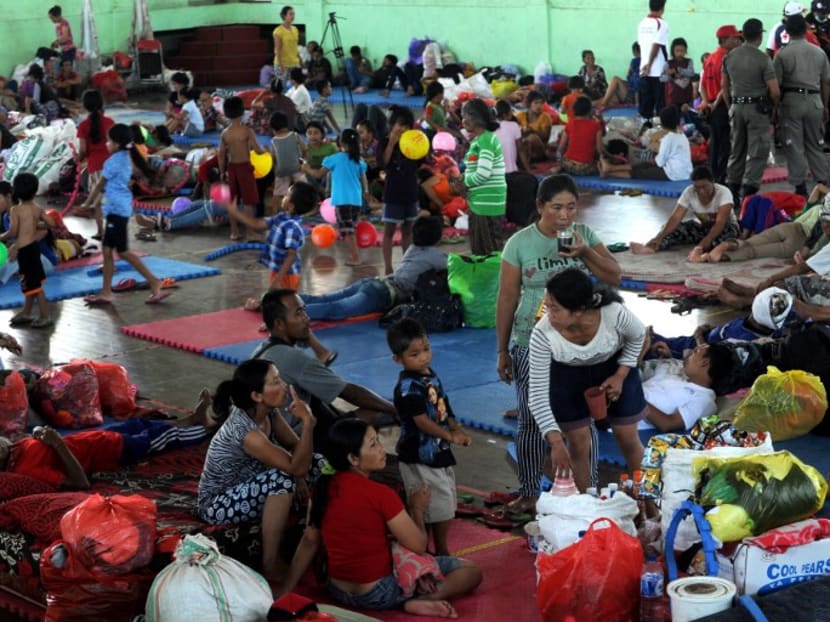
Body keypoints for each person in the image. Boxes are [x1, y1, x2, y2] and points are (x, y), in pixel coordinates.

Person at [496, 174, 621, 511]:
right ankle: (528, 490)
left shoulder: (585, 236)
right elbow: (507, 298)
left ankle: (587, 492)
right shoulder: (520, 243)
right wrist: (502, 349)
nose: (565, 215)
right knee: (530, 419)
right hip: (529, 339)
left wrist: (585, 253)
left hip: (579, 344)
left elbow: (614, 274)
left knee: (582, 421)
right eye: (556, 208)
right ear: (539, 207)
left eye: (571, 207)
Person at [280, 418, 482, 615]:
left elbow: (309, 540)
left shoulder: (322, 489)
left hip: (338, 590)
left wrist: (285, 591)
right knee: (471, 571)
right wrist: (417, 509)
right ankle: (424, 600)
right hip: (378, 593)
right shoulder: (380, 494)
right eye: (373, 444)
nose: (381, 449)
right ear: (353, 459)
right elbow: (419, 545)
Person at [198, 358, 323, 581]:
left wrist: (301, 479)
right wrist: (307, 423)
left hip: (249, 487)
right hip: (217, 504)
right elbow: (295, 466)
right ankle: (270, 562)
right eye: (275, 381)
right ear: (257, 396)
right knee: (281, 479)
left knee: (320, 463)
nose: (284, 385)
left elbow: (297, 449)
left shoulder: (268, 413)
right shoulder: (244, 431)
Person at [528, 268, 646, 491]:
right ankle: (584, 505)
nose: (548, 314)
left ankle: (651, 508)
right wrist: (555, 442)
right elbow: (537, 397)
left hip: (615, 365)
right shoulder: (543, 334)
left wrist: (621, 375)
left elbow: (639, 336)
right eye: (547, 306)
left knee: (628, 438)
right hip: (567, 373)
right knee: (578, 444)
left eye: (555, 308)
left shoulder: (613, 313)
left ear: (579, 310)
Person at [256, 289, 399, 435]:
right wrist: (395, 409)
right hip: (292, 438)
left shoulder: (263, 348)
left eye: (304, 311)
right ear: (279, 324)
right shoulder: (292, 357)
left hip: (267, 432)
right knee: (376, 413)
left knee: (319, 397)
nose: (306, 318)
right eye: (298, 313)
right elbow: (350, 392)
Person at [388, 318, 471, 556]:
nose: (423, 357)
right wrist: (448, 435)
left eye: (426, 349)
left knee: (444, 503)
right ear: (398, 359)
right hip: (419, 454)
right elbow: (421, 421)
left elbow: (444, 406)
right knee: (433, 505)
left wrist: (456, 429)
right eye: (415, 354)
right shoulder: (408, 388)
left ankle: (438, 549)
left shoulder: (430, 376)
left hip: (438, 450)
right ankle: (433, 550)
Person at [0, 405, 212, 490]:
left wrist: (39, 431)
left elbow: (31, 433)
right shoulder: (25, 471)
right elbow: (80, 483)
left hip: (97, 436)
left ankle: (191, 419)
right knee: (162, 437)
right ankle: (209, 431)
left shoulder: (14, 448)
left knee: (140, 423)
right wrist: (57, 443)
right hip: (112, 450)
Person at [78, 124, 172, 306]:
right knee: (107, 251)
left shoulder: (114, 161)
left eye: (108, 140)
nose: (106, 144)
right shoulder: (124, 157)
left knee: (123, 252)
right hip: (117, 209)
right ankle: (106, 292)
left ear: (116, 143)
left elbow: (99, 185)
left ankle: (154, 282)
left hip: (117, 211)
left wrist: (86, 204)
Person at [301, 216, 447, 320]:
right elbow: (455, 265)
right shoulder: (437, 257)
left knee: (324, 299)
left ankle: (287, 301)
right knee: (335, 309)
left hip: (373, 283)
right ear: (438, 237)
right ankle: (288, 315)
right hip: (381, 294)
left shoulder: (413, 248)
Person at [724, 18, 780, 205]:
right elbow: (775, 91)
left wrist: (731, 106)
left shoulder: (730, 56)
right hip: (757, 109)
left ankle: (732, 191)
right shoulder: (763, 58)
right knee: (758, 151)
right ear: (759, 35)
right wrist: (774, 108)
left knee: (737, 149)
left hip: (736, 106)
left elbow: (725, 88)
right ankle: (749, 192)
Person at [630, 165, 739, 260]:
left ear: (712, 182)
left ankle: (707, 254)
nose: (701, 191)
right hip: (703, 228)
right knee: (674, 229)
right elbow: (675, 218)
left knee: (721, 240)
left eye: (704, 187)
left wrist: (702, 244)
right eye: (697, 187)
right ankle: (651, 248)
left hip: (725, 228)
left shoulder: (724, 192)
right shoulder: (689, 192)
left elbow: (720, 223)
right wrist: (659, 237)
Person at [774, 13, 830, 197]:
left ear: (787, 31)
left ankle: (800, 189)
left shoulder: (782, 54)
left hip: (792, 102)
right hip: (815, 101)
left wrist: (776, 108)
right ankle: (823, 183)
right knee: (816, 144)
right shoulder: (819, 52)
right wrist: (825, 105)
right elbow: (826, 82)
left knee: (794, 145)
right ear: (806, 30)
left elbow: (777, 85)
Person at [226, 181, 317, 292]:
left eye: (287, 196)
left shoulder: (292, 227)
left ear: (291, 206)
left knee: (283, 304)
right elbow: (256, 224)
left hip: (287, 275)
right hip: (278, 271)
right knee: (276, 301)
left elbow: (291, 256)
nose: (283, 197)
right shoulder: (281, 217)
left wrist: (277, 280)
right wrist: (235, 212)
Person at [304, 129, 369, 266]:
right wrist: (366, 192)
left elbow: (318, 175)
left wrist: (306, 168)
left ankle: (355, 257)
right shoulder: (359, 161)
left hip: (342, 200)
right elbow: (363, 179)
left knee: (346, 231)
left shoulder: (334, 159)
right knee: (351, 228)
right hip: (356, 200)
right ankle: (354, 255)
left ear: (340, 142)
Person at [706, 193, 828, 262]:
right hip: (799, 242)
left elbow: (799, 220)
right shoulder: (823, 222)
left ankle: (726, 245)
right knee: (754, 252)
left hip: (790, 227)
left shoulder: (817, 209)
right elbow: (819, 243)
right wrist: (807, 253)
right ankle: (719, 257)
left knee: (749, 242)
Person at [456, 98, 507, 256]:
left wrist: (464, 181)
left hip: (486, 204)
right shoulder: (481, 139)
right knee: (485, 249)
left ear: (475, 119)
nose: (462, 121)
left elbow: (483, 173)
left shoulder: (486, 139)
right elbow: (476, 168)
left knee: (487, 251)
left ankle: (494, 280)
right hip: (481, 202)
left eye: (465, 116)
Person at [0, 173, 52, 328]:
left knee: (35, 286)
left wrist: (1, 236)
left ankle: (45, 316)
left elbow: (13, 232)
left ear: (14, 192)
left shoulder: (15, 210)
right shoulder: (37, 208)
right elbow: (51, 223)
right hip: (33, 250)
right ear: (35, 192)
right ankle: (27, 312)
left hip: (25, 252)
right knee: (29, 283)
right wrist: (36, 225)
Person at [637, 345, 725, 432]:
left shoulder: (704, 400)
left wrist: (633, 394)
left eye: (695, 352)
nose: (689, 353)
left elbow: (667, 424)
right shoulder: (682, 375)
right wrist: (667, 358)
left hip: (628, 412)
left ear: (704, 362)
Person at [219, 96, 268, 241]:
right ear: (242, 112)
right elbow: (257, 150)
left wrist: (222, 172)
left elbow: (221, 154)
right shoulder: (247, 131)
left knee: (232, 201)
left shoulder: (225, 133)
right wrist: (266, 151)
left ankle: (234, 232)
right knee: (248, 202)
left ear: (226, 113)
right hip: (245, 168)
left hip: (231, 168)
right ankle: (250, 232)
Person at [380, 106, 422, 274]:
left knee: (408, 230)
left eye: (406, 126)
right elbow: (383, 163)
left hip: (410, 190)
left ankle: (406, 264)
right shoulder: (384, 141)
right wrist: (391, 143)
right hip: (392, 192)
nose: (403, 129)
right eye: (399, 125)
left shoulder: (414, 142)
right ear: (392, 125)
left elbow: (419, 162)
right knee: (389, 230)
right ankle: (388, 267)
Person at [700, 25, 743, 184]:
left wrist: (706, 103)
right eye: (734, 38)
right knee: (725, 145)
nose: (738, 40)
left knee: (715, 143)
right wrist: (716, 104)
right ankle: (721, 179)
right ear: (725, 40)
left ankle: (713, 175)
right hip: (721, 106)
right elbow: (724, 87)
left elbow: (702, 85)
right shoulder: (727, 57)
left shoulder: (710, 57)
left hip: (711, 106)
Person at [601, 105, 691, 180]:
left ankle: (609, 171)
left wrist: (650, 161)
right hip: (685, 172)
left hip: (673, 174)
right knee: (643, 165)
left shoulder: (668, 139)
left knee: (639, 171)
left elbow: (659, 162)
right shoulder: (682, 135)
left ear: (662, 123)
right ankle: (610, 168)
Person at [76, 89, 115, 240]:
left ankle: (100, 231)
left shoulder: (83, 126)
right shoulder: (110, 123)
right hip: (112, 166)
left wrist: (78, 159)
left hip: (95, 167)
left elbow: (83, 150)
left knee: (98, 201)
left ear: (85, 106)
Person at [637, 0, 670, 121]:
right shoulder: (661, 23)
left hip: (643, 70)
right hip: (658, 70)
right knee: (661, 105)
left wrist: (645, 66)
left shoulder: (641, 23)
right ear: (663, 7)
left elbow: (642, 46)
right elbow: (656, 46)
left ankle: (646, 131)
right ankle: (661, 131)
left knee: (646, 106)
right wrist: (649, 65)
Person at [268, 111, 306, 214]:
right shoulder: (294, 135)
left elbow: (273, 158)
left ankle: (274, 214)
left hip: (281, 170)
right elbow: (304, 148)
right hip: (296, 168)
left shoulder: (274, 140)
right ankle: (307, 210)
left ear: (273, 129)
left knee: (278, 194)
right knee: (304, 188)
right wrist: (303, 160)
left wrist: (274, 170)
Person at [558, 96, 603, 176]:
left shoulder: (570, 123)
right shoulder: (596, 125)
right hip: (584, 168)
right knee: (600, 165)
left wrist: (560, 159)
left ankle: (559, 168)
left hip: (568, 165)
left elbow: (561, 147)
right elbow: (600, 150)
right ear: (590, 110)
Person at [599, 42, 641, 108]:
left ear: (634, 52)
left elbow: (629, 75)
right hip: (635, 94)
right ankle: (597, 103)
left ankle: (603, 104)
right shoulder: (647, 61)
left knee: (615, 79)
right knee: (612, 93)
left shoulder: (635, 61)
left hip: (634, 97)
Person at [515, 91, 554, 162]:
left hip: (539, 151)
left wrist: (532, 131)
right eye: (536, 103)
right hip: (523, 148)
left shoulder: (545, 117)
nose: (539, 106)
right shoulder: (520, 116)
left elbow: (545, 138)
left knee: (532, 138)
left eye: (541, 103)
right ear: (529, 104)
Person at [302, 121, 337, 198]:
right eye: (309, 133)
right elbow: (303, 166)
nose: (312, 136)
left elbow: (338, 160)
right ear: (306, 135)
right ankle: (320, 191)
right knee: (305, 175)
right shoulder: (305, 149)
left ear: (322, 135)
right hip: (312, 177)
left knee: (331, 172)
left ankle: (327, 194)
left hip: (326, 176)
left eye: (316, 133)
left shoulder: (329, 147)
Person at [495, 100, 530, 173]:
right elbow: (521, 149)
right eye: (511, 111)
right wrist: (528, 170)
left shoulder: (490, 128)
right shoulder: (514, 125)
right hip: (512, 172)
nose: (512, 113)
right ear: (505, 114)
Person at [663, 37, 695, 109]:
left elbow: (691, 73)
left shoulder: (689, 61)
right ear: (673, 51)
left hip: (687, 96)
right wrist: (672, 75)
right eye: (677, 51)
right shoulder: (668, 63)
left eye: (682, 51)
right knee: (674, 117)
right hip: (673, 96)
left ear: (685, 51)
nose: (680, 53)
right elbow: (662, 78)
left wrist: (677, 70)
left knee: (688, 117)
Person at [273, 5, 300, 82]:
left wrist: (299, 60)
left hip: (294, 63)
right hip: (283, 64)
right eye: (290, 14)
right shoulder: (278, 31)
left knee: (295, 87)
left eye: (293, 14)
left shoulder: (295, 29)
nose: (293, 16)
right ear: (284, 15)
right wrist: (281, 65)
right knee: (282, 88)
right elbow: (277, 50)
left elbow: (295, 46)